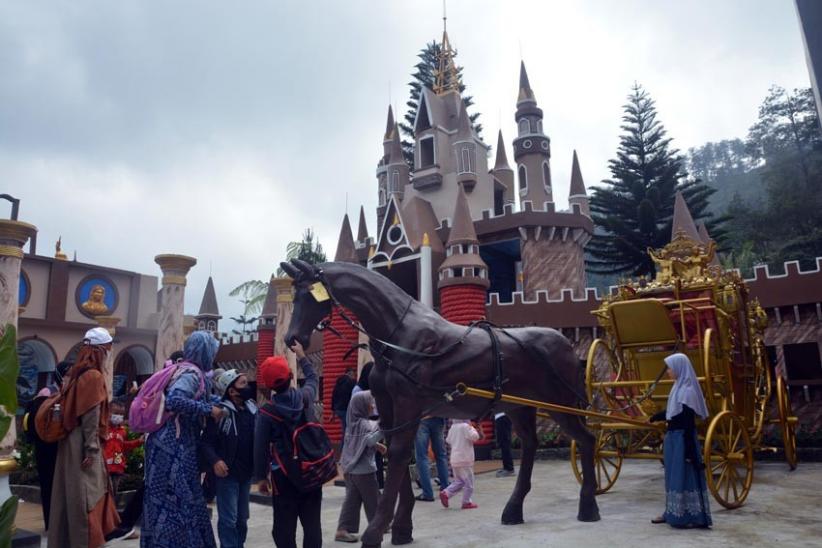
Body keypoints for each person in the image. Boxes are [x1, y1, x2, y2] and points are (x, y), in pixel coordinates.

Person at [141, 331, 225, 548]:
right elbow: (175, 400)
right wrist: (209, 410)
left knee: (169, 500)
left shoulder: (185, 370)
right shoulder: (191, 374)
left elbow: (195, 397)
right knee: (178, 500)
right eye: (212, 351)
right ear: (204, 352)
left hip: (168, 444)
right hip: (173, 447)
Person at [48, 328, 120, 547]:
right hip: (82, 444)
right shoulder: (93, 376)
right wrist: (91, 449)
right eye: (107, 350)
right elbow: (91, 417)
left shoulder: (76, 374)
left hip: (69, 442)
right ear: (99, 351)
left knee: (68, 497)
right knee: (87, 499)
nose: (108, 355)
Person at [254, 342, 321, 548]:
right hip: (311, 470)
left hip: (283, 475)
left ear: (268, 385)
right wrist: (301, 355)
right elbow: (312, 378)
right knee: (312, 526)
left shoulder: (266, 412)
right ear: (291, 376)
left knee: (283, 528)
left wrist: (261, 477)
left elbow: (260, 448)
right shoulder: (305, 397)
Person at [650, 353, 712, 528]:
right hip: (673, 439)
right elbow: (672, 413)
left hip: (682, 440)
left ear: (679, 368)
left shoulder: (687, 391)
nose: (668, 371)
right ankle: (672, 512)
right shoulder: (677, 388)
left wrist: (689, 451)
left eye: (670, 368)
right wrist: (655, 417)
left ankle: (689, 515)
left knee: (685, 474)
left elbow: (686, 421)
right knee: (672, 476)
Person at [199, 369, 258, 548]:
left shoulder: (252, 409)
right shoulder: (221, 412)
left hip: (246, 474)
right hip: (228, 475)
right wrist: (215, 461)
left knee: (242, 519)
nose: (248, 387)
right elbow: (205, 443)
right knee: (228, 520)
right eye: (243, 384)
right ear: (231, 391)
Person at [21, 360, 72, 530]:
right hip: (46, 448)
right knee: (49, 485)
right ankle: (51, 523)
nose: (70, 378)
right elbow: (37, 421)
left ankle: (62, 523)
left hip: (62, 447)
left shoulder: (70, 394)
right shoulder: (47, 393)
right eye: (67, 374)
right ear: (59, 375)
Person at [335, 391, 386, 543]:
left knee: (351, 501)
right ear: (361, 406)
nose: (372, 406)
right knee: (373, 499)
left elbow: (359, 443)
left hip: (350, 469)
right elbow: (368, 440)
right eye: (369, 403)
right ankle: (379, 525)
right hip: (364, 471)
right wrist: (383, 429)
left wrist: (377, 446)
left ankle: (342, 530)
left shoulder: (352, 424)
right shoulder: (364, 424)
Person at [440, 420, 482, 509]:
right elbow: (475, 437)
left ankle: (446, 492)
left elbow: (448, 440)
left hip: (455, 459)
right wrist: (473, 428)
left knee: (459, 481)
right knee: (469, 483)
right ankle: (466, 502)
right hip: (465, 459)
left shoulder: (453, 427)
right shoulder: (466, 427)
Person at [103, 400, 143, 494]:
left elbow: (124, 446)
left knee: (114, 492)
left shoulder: (122, 431)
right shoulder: (103, 429)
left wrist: (138, 442)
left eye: (121, 414)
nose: (118, 416)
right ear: (107, 412)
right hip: (105, 468)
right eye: (116, 413)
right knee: (104, 492)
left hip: (118, 467)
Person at [414, 416, 450, 501]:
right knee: (441, 455)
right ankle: (446, 489)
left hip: (421, 419)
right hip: (437, 417)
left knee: (422, 457)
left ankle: (427, 493)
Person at [331, 367, 356, 455]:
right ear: (350, 373)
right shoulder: (351, 382)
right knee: (347, 431)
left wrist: (333, 413)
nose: (354, 376)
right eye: (353, 375)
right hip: (346, 410)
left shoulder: (338, 382)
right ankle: (344, 453)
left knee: (345, 429)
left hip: (338, 410)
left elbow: (333, 396)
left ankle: (344, 452)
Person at [494, 412, 515, 477]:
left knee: (505, 443)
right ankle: (506, 467)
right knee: (503, 443)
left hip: (503, 416)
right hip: (501, 417)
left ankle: (509, 469)